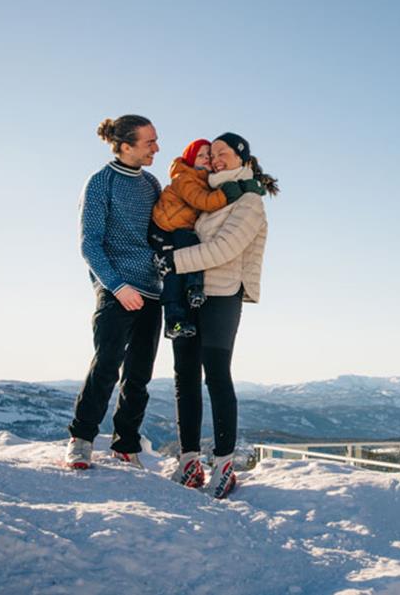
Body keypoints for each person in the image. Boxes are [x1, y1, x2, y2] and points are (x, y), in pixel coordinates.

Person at [159, 132, 278, 499]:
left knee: (216, 376)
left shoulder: (249, 201)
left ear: (243, 159)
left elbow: (224, 249)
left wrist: (173, 261)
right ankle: (190, 460)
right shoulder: (208, 197)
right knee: (185, 377)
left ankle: (225, 464)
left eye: (224, 154)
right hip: (189, 294)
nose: (216, 160)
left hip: (222, 295)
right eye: (214, 155)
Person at [64, 115, 163, 470]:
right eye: (149, 142)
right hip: (115, 288)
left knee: (139, 374)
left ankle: (125, 444)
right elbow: (89, 244)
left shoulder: (151, 184)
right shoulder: (100, 182)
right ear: (125, 146)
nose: (156, 148)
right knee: (106, 364)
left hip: (152, 291)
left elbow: (160, 233)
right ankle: (81, 439)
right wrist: (118, 287)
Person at [147, 139, 261, 340]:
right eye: (203, 156)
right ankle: (176, 317)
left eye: (212, 155)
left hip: (221, 286)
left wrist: (246, 186)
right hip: (166, 230)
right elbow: (205, 202)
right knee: (173, 272)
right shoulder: (186, 179)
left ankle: (192, 292)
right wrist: (232, 191)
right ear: (191, 160)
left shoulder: (211, 184)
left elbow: (224, 243)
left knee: (180, 262)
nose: (210, 159)